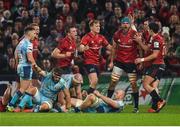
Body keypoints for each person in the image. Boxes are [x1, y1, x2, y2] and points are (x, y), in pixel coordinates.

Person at [107, 17, 141, 113]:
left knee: (133, 84)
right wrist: (111, 61)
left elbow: (140, 48)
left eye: (127, 23)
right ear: (121, 25)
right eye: (123, 23)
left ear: (130, 24)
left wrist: (141, 61)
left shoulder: (134, 34)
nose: (125, 25)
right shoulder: (117, 34)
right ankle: (108, 102)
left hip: (131, 62)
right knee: (113, 82)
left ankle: (136, 107)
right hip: (119, 62)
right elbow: (114, 48)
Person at [134, 22, 166, 113]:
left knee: (145, 84)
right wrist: (140, 41)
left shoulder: (156, 40)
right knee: (152, 85)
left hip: (157, 64)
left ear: (151, 30)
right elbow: (148, 49)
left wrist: (142, 59)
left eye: (148, 29)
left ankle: (160, 100)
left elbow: (155, 55)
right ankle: (155, 107)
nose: (147, 30)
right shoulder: (158, 38)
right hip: (160, 64)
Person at [7, 26, 37, 111]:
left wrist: (17, 64)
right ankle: (11, 105)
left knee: (29, 87)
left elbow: (15, 54)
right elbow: (30, 58)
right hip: (26, 67)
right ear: (29, 33)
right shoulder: (29, 44)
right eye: (34, 33)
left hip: (21, 66)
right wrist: (36, 66)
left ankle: (30, 106)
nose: (35, 35)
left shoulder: (20, 43)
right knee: (23, 88)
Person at [79, 19, 112, 94]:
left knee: (94, 83)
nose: (98, 28)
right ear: (91, 27)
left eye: (99, 26)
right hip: (89, 62)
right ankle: (88, 97)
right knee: (94, 80)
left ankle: (85, 94)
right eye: (96, 26)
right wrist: (84, 48)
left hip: (97, 63)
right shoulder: (86, 37)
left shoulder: (101, 37)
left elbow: (109, 47)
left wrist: (119, 48)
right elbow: (80, 48)